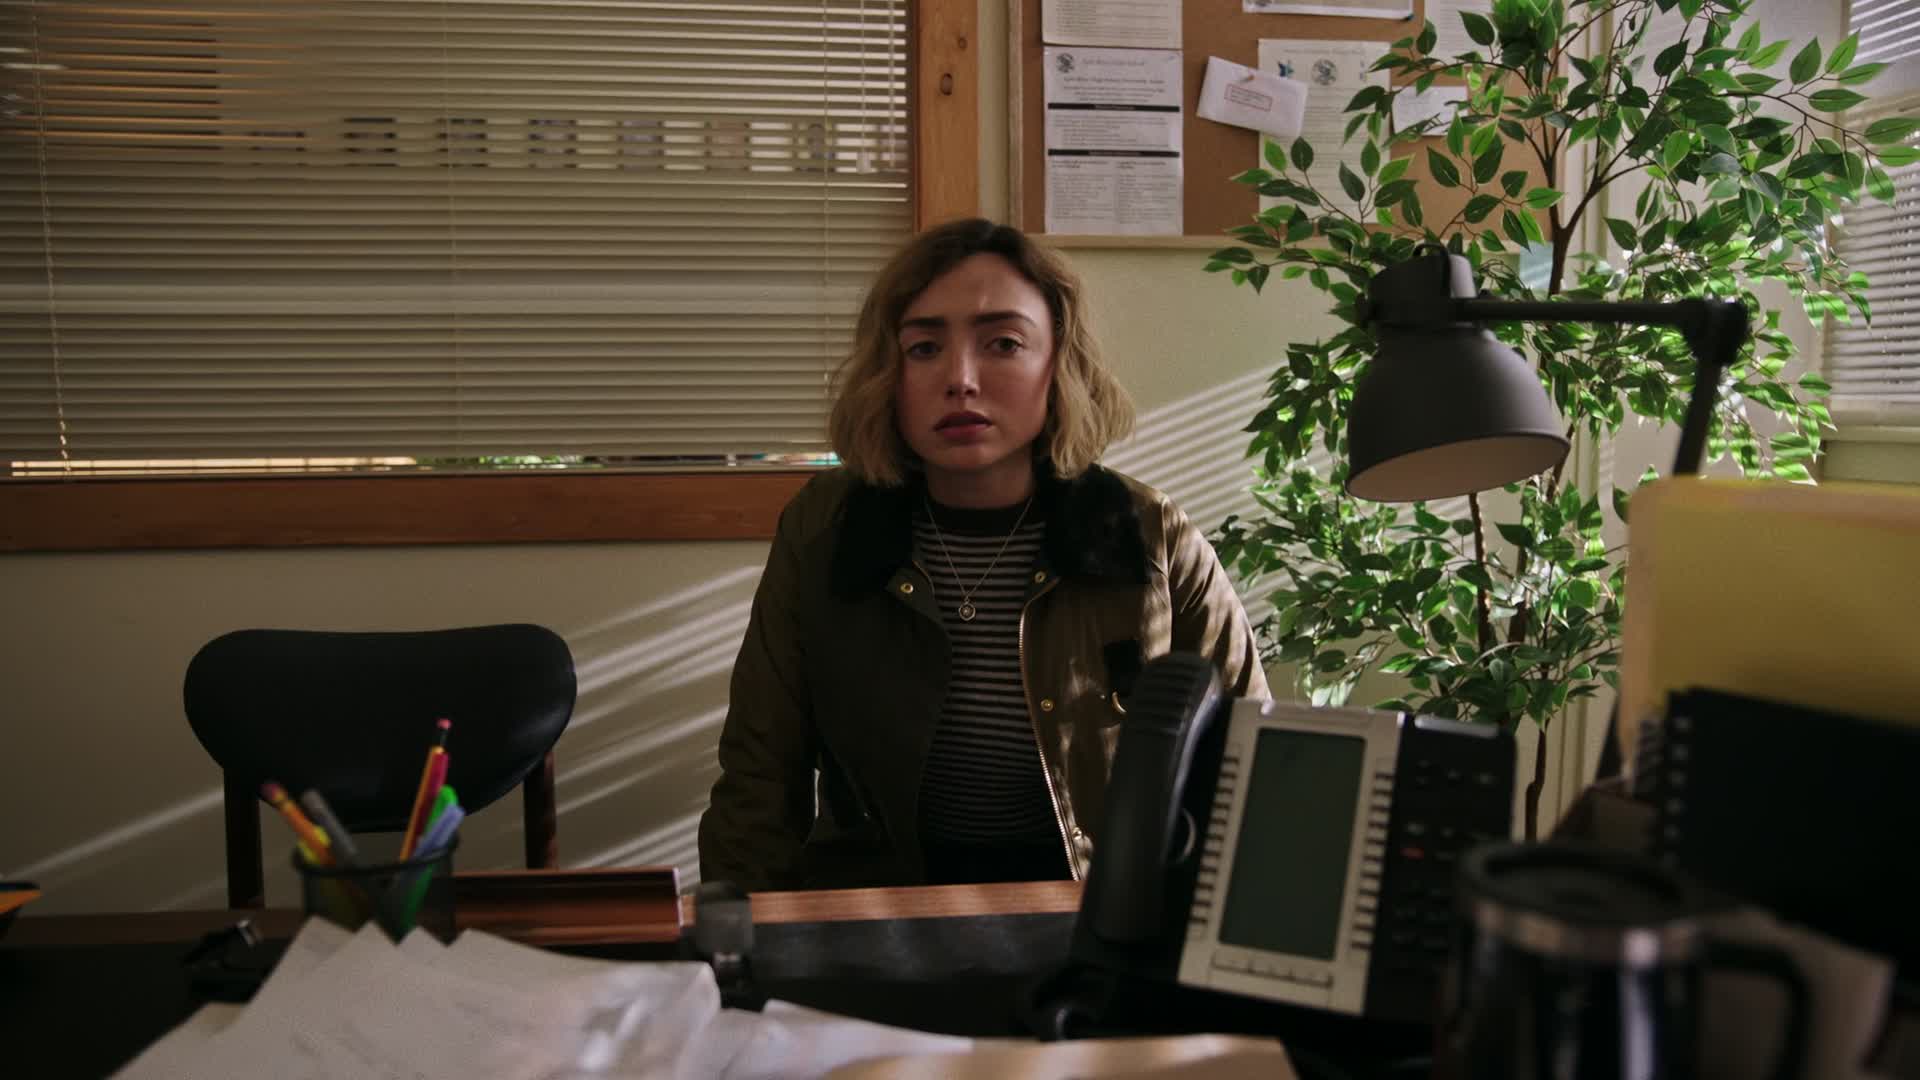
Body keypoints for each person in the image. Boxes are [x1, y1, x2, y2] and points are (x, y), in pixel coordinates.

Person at [698, 218, 1268, 892]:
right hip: (880, 903)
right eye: (923, 348)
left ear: (1058, 364)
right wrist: (735, 939)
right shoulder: (825, 527)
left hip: (1097, 900)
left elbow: (1249, 762)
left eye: (1003, 343)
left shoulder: (1150, 534)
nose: (961, 379)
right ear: (889, 374)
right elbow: (761, 776)